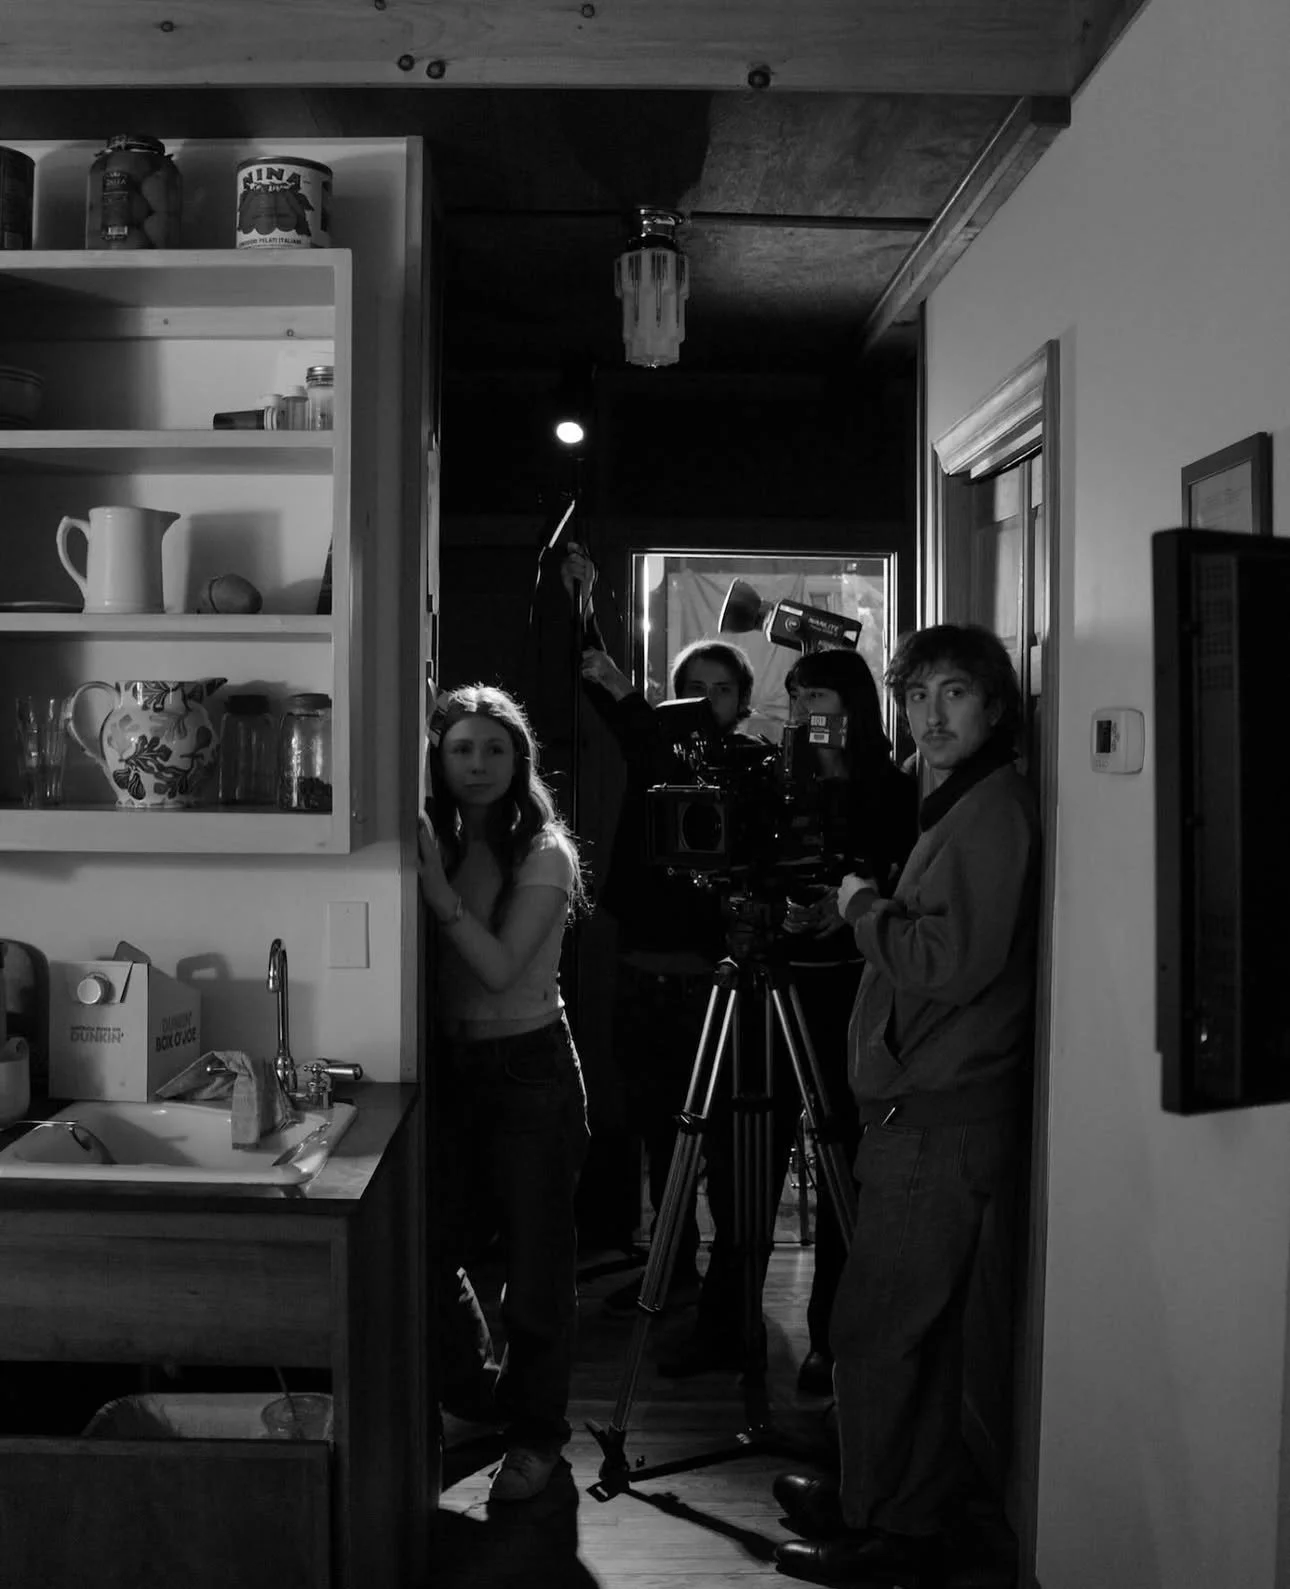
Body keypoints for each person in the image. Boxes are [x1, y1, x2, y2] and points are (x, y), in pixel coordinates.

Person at [773, 623, 1042, 1586]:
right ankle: (884, 1497)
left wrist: (859, 910)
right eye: (917, 693)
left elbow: (949, 960)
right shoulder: (958, 802)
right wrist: (868, 907)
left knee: (877, 1327)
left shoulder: (991, 811)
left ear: (997, 704)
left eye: (955, 693)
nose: (931, 714)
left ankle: (888, 1529)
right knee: (911, 1333)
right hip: (925, 1109)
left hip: (939, 1117)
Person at [560, 540, 758, 1315]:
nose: (707, 702)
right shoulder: (651, 752)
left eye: (720, 690)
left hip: (723, 978)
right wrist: (586, 595)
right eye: (692, 691)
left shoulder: (753, 765)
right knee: (653, 1128)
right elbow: (602, 685)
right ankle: (668, 1266)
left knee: (724, 1140)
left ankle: (726, 1289)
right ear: (671, 701)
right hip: (642, 965)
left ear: (741, 700)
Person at [419, 683, 590, 1503]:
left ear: (519, 759)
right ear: (437, 758)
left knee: (538, 1268)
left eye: (495, 749)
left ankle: (536, 1437)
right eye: (461, 749)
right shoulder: (436, 839)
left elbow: (495, 969)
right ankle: (479, 1395)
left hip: (529, 1070)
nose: (478, 764)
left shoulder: (546, 850)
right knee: (424, 1249)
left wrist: (438, 895)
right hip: (450, 1068)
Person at [776, 645, 918, 1394]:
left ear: (855, 703)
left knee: (839, 1156)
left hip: (855, 988)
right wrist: (790, 912)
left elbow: (900, 882)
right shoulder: (780, 778)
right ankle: (725, 1319)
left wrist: (847, 910)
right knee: (750, 1151)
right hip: (774, 979)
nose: (807, 711)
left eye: (821, 695)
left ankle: (830, 1330)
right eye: (798, 697)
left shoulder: (893, 788)